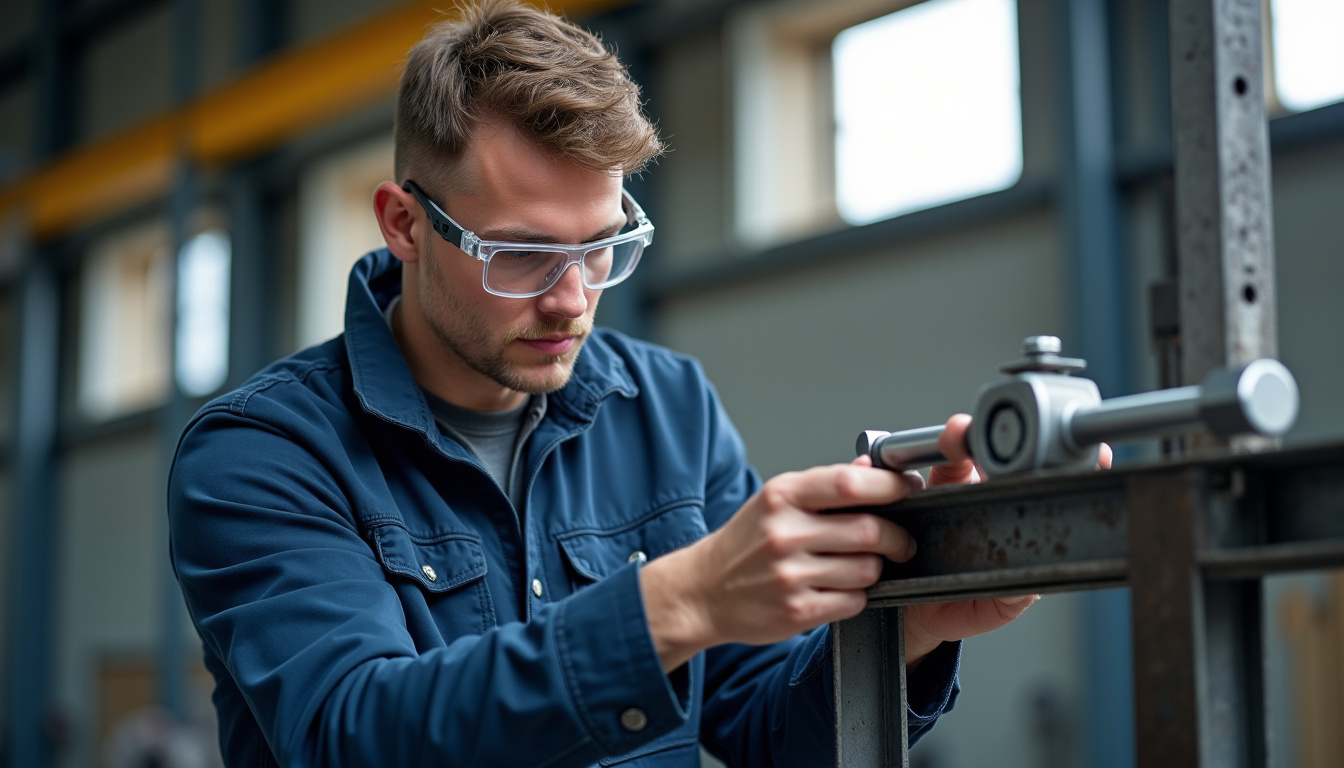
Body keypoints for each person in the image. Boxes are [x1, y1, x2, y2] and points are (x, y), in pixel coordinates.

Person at [167, 2, 1051, 766]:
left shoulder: (668, 408)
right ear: (405, 224)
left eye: (601, 247)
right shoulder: (264, 453)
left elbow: (766, 731)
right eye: (520, 254)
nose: (572, 300)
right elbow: (351, 737)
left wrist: (914, 631)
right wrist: (681, 601)